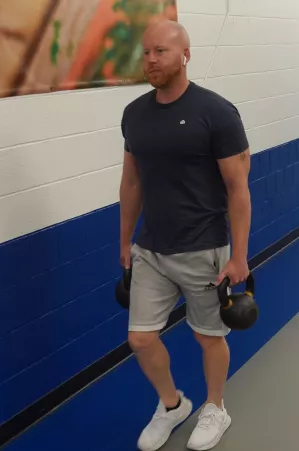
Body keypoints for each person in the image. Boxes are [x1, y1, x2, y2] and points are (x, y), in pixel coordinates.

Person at [119, 20, 252, 451]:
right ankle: (173, 404)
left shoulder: (215, 112)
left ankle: (216, 406)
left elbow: (238, 187)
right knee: (140, 337)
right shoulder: (134, 114)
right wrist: (125, 242)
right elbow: (131, 184)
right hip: (151, 248)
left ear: (185, 55)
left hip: (204, 246)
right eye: (146, 52)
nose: (151, 60)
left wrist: (239, 257)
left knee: (207, 337)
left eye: (160, 51)